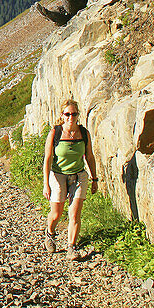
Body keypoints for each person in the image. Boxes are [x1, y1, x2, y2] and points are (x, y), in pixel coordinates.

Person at [42, 99, 98, 260]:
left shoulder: (84, 133)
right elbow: (47, 159)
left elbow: (89, 156)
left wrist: (94, 179)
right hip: (58, 175)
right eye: (67, 114)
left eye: (74, 114)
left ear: (78, 115)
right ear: (62, 115)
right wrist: (46, 184)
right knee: (56, 213)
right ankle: (50, 233)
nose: (70, 117)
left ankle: (71, 248)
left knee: (75, 215)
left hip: (79, 175)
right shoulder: (55, 133)